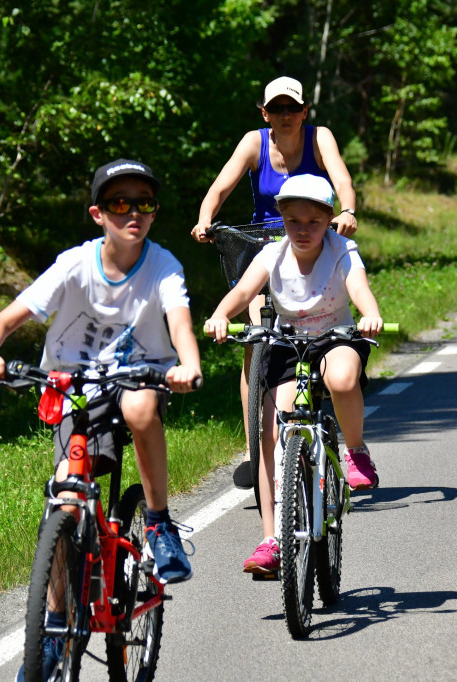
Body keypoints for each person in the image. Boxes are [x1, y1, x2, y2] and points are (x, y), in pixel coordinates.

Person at [0, 158, 200, 581]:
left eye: (144, 204)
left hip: (139, 375)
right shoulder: (74, 265)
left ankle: (158, 522)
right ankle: (53, 634)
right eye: (119, 203)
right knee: (65, 501)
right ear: (98, 214)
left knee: (139, 410)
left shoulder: (163, 265)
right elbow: (0, 322)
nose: (133, 213)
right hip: (75, 387)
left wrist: (188, 365)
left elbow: (180, 322)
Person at [204, 174, 382, 574]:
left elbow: (359, 288)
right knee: (275, 433)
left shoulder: (343, 250)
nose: (303, 230)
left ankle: (356, 453)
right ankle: (271, 538)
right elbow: (243, 293)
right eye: (293, 221)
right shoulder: (271, 255)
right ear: (281, 218)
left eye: (314, 222)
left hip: (336, 337)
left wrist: (370, 314)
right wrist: (219, 315)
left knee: (341, 379)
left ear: (329, 220)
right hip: (288, 343)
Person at [190, 76, 358, 489]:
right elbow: (220, 186)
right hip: (264, 248)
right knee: (258, 340)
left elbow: (342, 180)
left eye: (292, 108)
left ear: (304, 112)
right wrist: (204, 219)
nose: (285, 115)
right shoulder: (254, 142)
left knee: (323, 324)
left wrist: (348, 209)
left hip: (311, 241)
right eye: (276, 109)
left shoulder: (320, 139)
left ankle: (324, 401)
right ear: (265, 113)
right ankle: (254, 447)